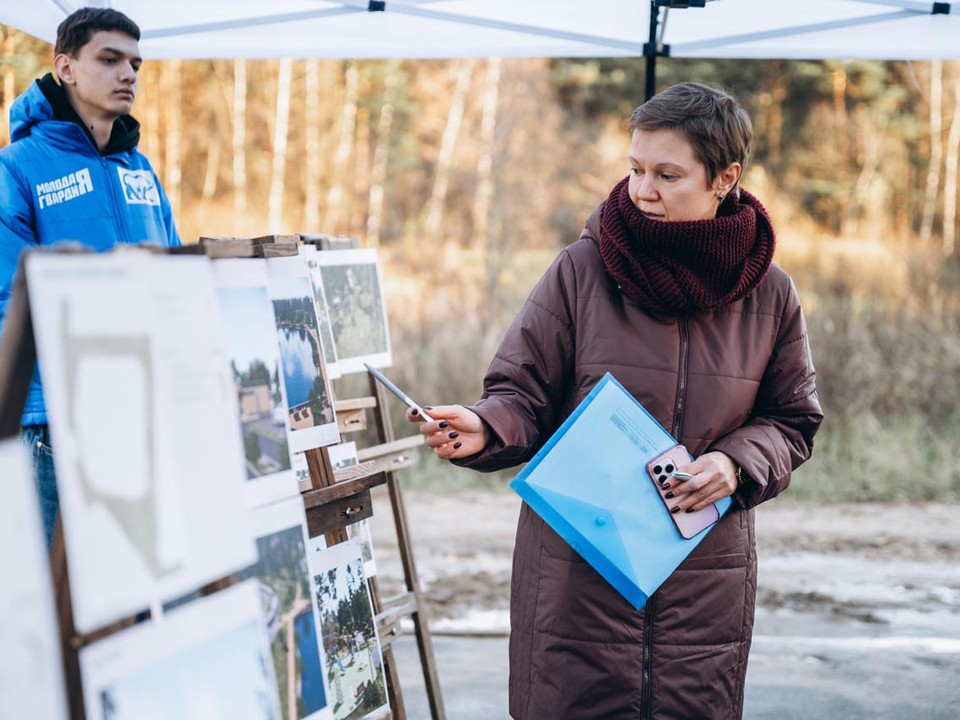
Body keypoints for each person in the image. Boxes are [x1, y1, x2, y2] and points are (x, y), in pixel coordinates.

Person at [408, 82, 822, 719]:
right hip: (577, 579)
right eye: (635, 169)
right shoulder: (581, 270)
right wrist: (487, 428)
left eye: (667, 174)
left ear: (725, 178)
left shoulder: (771, 294)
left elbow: (792, 420)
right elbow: (521, 394)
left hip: (704, 587)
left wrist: (734, 465)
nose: (642, 190)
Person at [0, 8, 181, 548]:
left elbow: (175, 281)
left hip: (144, 412)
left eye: (136, 64)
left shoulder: (141, 171)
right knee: (52, 602)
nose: (128, 74)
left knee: (131, 592)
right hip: (56, 416)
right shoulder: (17, 168)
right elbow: (9, 297)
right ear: (67, 68)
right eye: (110, 59)